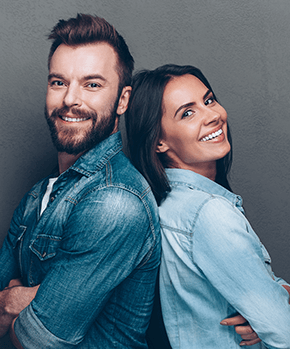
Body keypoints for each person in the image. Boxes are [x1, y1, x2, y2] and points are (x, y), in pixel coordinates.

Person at [0, 14, 161, 349]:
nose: (70, 99)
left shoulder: (116, 202)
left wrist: (15, 301)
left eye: (92, 85)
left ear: (123, 100)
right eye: (59, 82)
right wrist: (19, 301)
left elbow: (37, 341)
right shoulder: (37, 197)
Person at [125, 64, 290, 348]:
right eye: (187, 113)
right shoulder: (208, 214)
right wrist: (277, 304)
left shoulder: (169, 208)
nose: (213, 116)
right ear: (159, 142)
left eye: (209, 100)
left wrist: (267, 312)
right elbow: (284, 329)